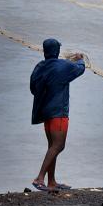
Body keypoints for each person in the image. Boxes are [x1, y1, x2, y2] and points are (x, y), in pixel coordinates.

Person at [30, 38, 85, 191]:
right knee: (59, 146)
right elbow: (80, 69)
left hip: (45, 113)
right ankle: (39, 178)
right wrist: (80, 59)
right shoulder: (63, 66)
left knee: (52, 146)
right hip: (59, 113)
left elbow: (33, 89)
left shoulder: (39, 67)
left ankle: (52, 182)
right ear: (57, 51)